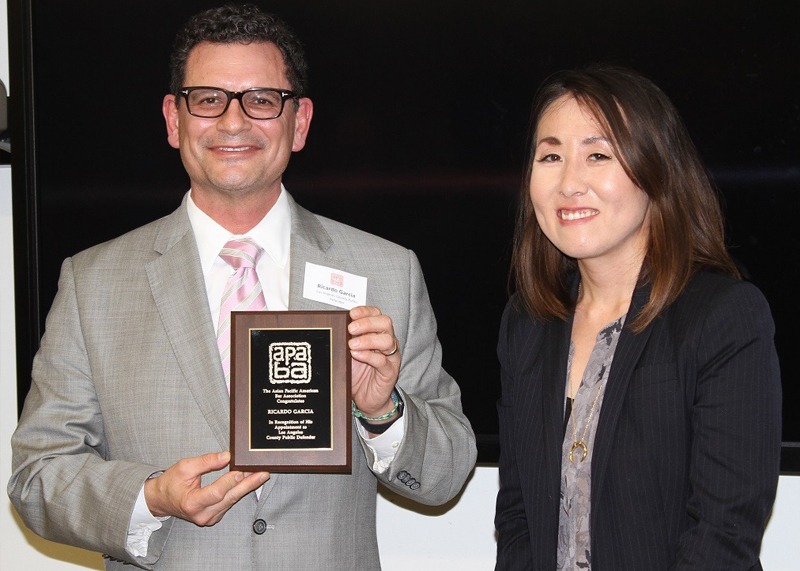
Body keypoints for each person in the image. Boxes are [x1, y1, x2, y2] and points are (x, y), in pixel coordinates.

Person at [8, 5, 476, 569]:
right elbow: (37, 477)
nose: (233, 122)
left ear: (298, 123)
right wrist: (152, 496)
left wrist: (383, 411)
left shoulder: (386, 271)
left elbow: (445, 475)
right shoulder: (93, 283)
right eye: (208, 99)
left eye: (260, 99)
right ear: (173, 119)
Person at [494, 65, 781, 570]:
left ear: (656, 171)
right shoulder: (527, 322)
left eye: (598, 155)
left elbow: (723, 536)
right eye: (551, 155)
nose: (568, 182)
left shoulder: (723, 319)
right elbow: (518, 519)